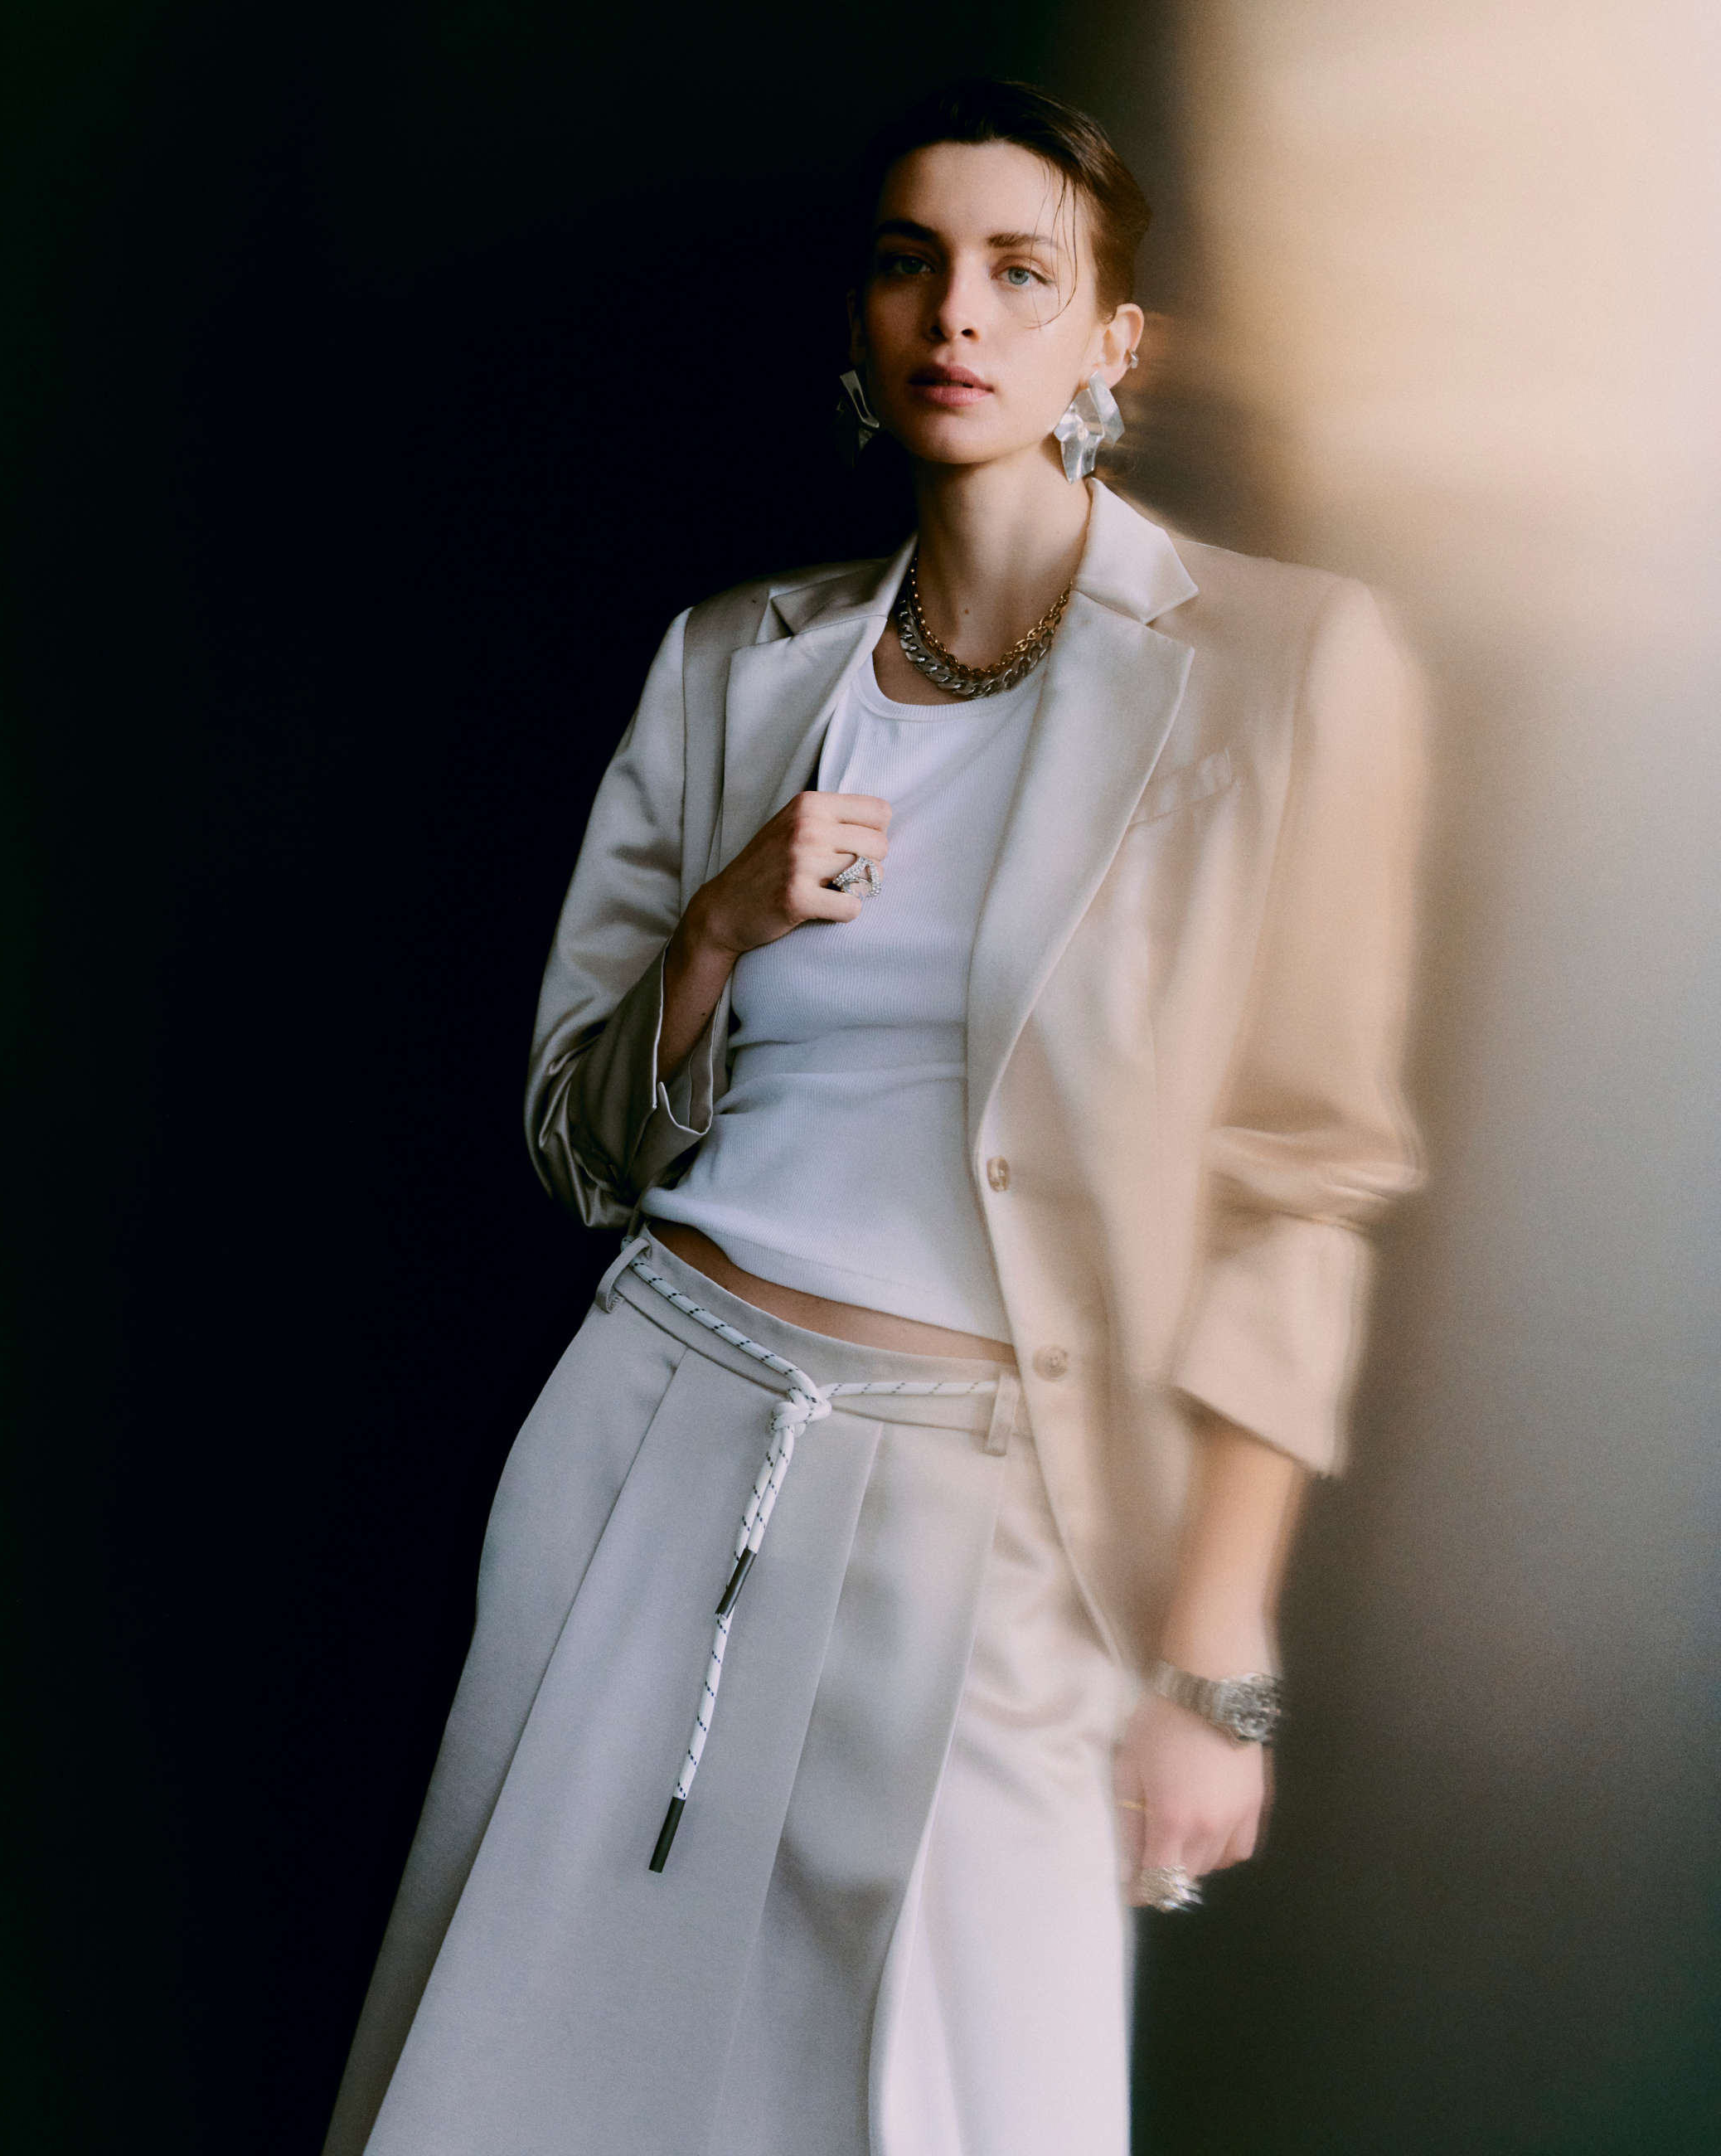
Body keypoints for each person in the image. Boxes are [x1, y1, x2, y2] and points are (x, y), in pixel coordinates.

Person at [323, 77, 1422, 2156]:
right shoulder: (736, 664)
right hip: (647, 1426)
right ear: (857, 318)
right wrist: (720, 927)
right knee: (524, 2080)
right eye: (910, 264)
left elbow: (1304, 1183)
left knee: (952, 2104)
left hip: (998, 1498)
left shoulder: (1281, 664)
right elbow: (575, 1143)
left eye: (1020, 271)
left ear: (1112, 338)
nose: (958, 315)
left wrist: (1211, 1662)